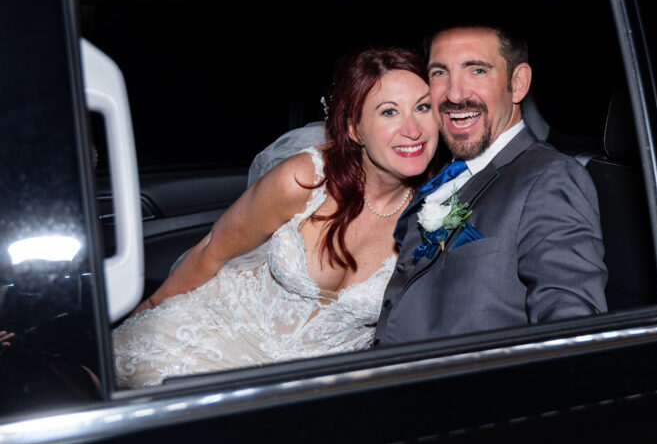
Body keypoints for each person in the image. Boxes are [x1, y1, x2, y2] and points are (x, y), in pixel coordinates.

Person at [113, 47, 439, 388]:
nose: (413, 129)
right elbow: (213, 249)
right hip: (213, 333)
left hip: (314, 384)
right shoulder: (303, 179)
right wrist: (148, 307)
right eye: (389, 112)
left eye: (422, 107)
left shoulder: (440, 210)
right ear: (354, 128)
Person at [373, 25, 607, 346]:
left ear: (518, 83)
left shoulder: (550, 178)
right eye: (440, 73)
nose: (455, 94)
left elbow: (572, 329)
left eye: (477, 71)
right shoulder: (442, 174)